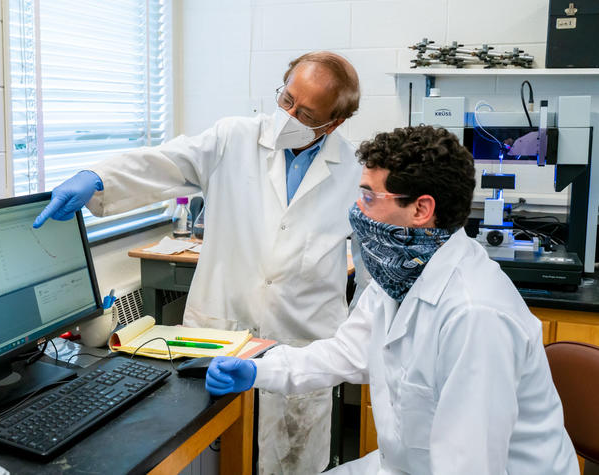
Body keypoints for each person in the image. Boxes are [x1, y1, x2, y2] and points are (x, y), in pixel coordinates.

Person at [33, 51, 363, 473]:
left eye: (306, 112)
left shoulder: (355, 171)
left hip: (298, 346)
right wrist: (98, 178)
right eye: (286, 100)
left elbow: (371, 277)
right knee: (210, 458)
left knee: (289, 461)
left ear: (332, 123)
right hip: (218, 337)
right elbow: (165, 162)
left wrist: (353, 346)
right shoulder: (234, 139)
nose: (289, 115)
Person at [205, 126, 579, 475]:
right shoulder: (401, 274)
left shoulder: (474, 315)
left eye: (369, 196)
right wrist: (260, 370)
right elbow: (346, 353)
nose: (357, 209)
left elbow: (467, 464)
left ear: (421, 210)